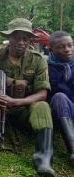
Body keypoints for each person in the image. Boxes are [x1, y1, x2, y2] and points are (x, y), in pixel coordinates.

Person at [0, 18, 55, 176]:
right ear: (9, 38)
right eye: (16, 37)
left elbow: (42, 93)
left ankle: (43, 158)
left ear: (29, 40)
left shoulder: (38, 60)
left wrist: (15, 101)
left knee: (43, 105)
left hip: (24, 110)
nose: (21, 42)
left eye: (25, 38)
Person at [47, 31, 73, 166]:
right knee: (59, 97)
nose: (67, 50)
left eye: (70, 45)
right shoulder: (45, 66)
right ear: (51, 49)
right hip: (55, 111)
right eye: (61, 47)